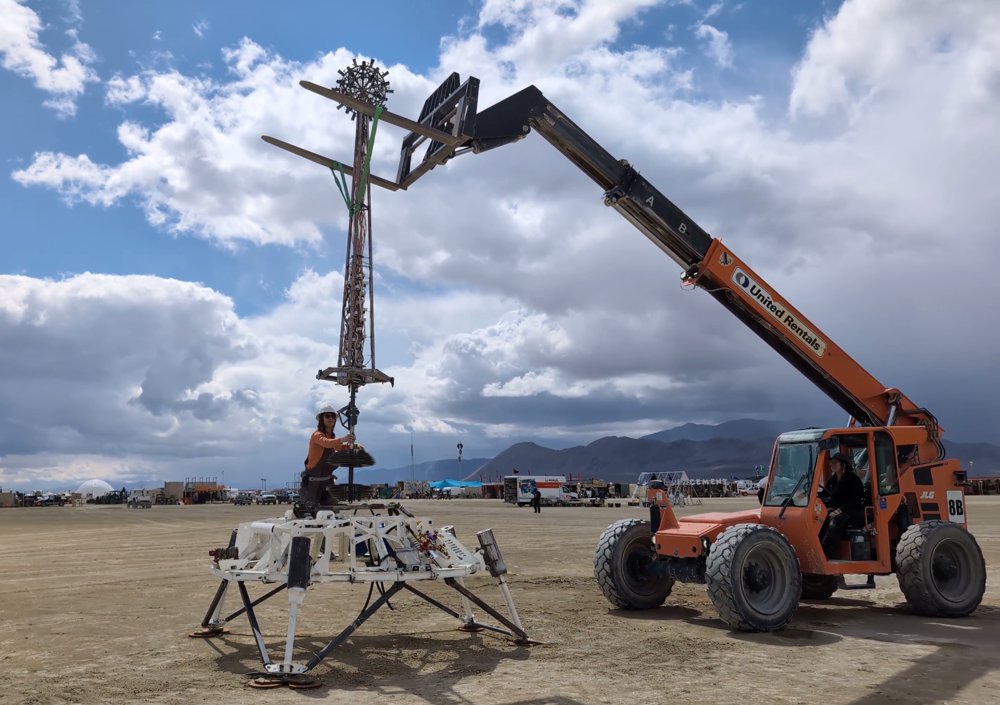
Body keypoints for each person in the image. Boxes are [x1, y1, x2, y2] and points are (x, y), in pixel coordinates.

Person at [299, 405, 356, 507]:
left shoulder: (332, 438)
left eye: (333, 416)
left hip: (328, 484)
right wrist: (343, 439)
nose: (331, 418)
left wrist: (354, 447)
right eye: (327, 416)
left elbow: (340, 448)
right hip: (313, 485)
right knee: (309, 512)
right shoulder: (317, 435)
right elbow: (327, 443)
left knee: (331, 510)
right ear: (321, 419)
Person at [820, 451, 866, 558]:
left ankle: (828, 552)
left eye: (835, 463)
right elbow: (826, 494)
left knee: (836, 520)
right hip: (837, 509)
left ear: (843, 465)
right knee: (820, 515)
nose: (832, 465)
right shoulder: (833, 479)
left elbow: (854, 501)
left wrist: (839, 510)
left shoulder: (853, 480)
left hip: (853, 511)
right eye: (831, 463)